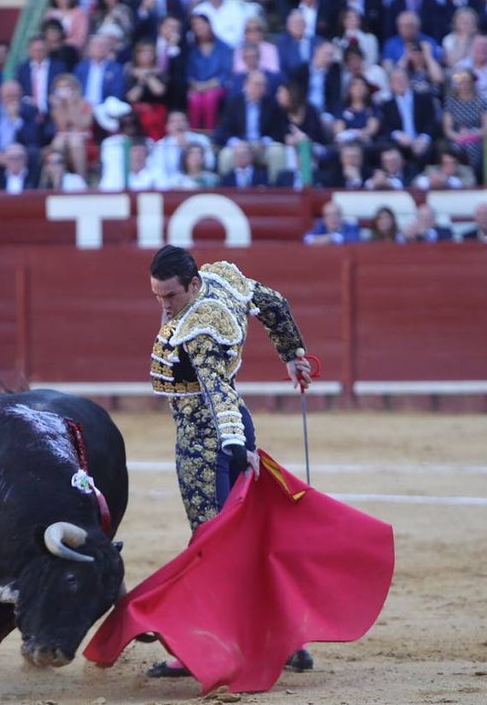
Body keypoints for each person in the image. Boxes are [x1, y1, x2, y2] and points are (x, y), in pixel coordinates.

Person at [144, 244, 314, 679]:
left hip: (207, 441)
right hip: (236, 425)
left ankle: (197, 648)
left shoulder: (199, 331)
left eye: (171, 297)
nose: (164, 306)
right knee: (245, 539)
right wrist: (293, 354)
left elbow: (216, 390)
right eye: (158, 296)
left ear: (193, 284)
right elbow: (274, 303)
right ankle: (287, 639)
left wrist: (235, 449)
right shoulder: (224, 280)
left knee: (210, 546)